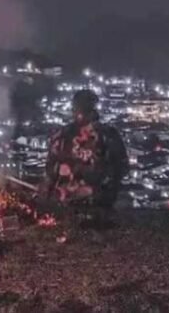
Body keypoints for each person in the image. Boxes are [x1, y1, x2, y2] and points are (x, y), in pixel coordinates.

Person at [44, 89, 128, 226]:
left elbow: (49, 170)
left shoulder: (61, 135)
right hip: (96, 203)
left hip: (69, 202)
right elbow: (122, 167)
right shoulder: (108, 134)